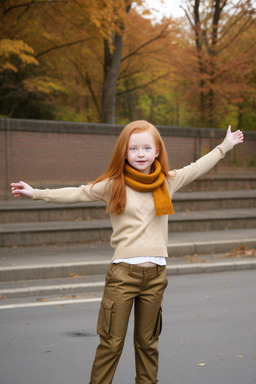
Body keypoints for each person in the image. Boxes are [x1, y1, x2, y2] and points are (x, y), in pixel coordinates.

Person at [11, 121, 243, 384]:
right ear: (124, 152)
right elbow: (78, 193)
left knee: (148, 344)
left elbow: (199, 166)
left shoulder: (167, 181)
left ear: (157, 151)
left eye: (146, 147)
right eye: (133, 148)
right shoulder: (113, 184)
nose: (140, 153)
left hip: (156, 276)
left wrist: (226, 145)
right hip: (122, 276)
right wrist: (37, 193)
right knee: (111, 344)